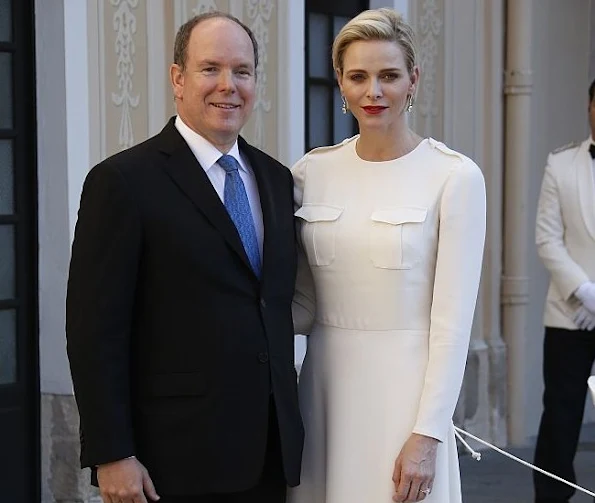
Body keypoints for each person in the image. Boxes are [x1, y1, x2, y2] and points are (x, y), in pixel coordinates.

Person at [66, 12, 303, 503]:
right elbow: (94, 332)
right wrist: (113, 454)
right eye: (209, 68)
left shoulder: (278, 180)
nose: (228, 86)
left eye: (242, 71)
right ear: (178, 78)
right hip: (172, 462)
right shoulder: (124, 182)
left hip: (268, 454)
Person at [288, 8, 486, 503]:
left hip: (405, 400)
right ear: (340, 82)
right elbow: (302, 303)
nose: (373, 92)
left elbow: (452, 325)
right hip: (323, 394)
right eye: (358, 76)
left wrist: (428, 432)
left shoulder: (454, 177)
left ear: (412, 80)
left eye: (389, 76)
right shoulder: (312, 172)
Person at [533, 78, 595, 503]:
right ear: (589, 106)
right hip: (570, 314)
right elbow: (546, 239)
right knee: (561, 415)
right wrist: (587, 292)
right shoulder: (561, 164)